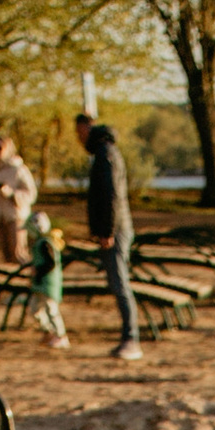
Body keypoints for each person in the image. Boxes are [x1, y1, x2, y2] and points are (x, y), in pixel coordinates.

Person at [77, 112, 142, 365]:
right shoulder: (105, 153)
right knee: (117, 283)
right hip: (114, 228)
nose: (78, 139)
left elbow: (111, 195)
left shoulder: (106, 155)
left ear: (88, 130)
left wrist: (107, 231)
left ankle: (131, 339)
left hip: (116, 230)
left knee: (120, 283)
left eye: (79, 133)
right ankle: (129, 337)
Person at [0, 127, 37, 268]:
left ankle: (24, 284)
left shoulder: (18, 169)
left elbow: (31, 193)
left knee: (18, 254)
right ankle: (10, 287)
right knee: (5, 255)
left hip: (15, 216)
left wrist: (12, 194)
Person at [23, 205, 70, 347]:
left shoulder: (45, 244)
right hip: (40, 283)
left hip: (48, 283)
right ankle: (48, 332)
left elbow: (51, 263)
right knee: (35, 309)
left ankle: (60, 335)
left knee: (51, 309)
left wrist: (38, 271)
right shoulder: (40, 243)